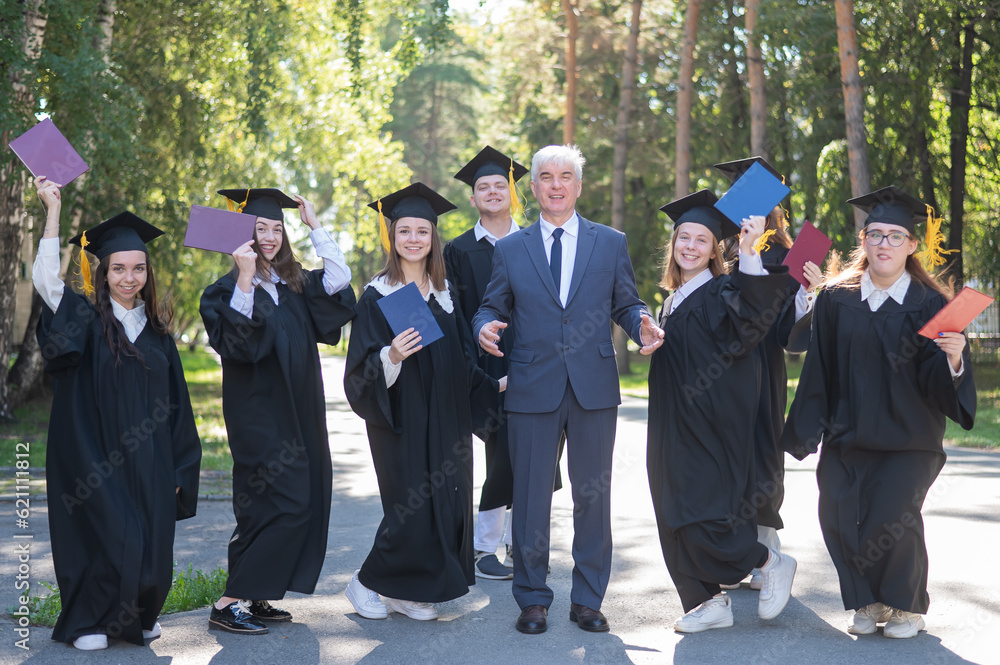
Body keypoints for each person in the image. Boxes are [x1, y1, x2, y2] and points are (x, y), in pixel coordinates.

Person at [472, 145, 664, 635]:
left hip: (593, 388)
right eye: (545, 177)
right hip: (531, 386)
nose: (555, 185)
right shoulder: (511, 249)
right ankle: (533, 598)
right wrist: (485, 326)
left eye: (565, 177)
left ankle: (588, 599)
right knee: (531, 496)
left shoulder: (610, 242)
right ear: (532, 187)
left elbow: (627, 301)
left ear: (579, 186)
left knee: (592, 498)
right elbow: (491, 305)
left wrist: (641, 321)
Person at [782, 186, 976, 639]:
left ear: (912, 245)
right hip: (848, 435)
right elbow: (819, 368)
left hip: (909, 440)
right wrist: (805, 432)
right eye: (875, 234)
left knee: (891, 517)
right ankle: (868, 601)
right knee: (836, 512)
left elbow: (937, 383)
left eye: (895, 236)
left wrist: (953, 358)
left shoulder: (931, 305)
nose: (883, 244)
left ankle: (906, 605)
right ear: (863, 242)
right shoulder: (836, 299)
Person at [31, 176, 201, 650]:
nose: (130, 278)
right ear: (102, 272)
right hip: (95, 456)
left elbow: (179, 406)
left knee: (151, 539)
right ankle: (89, 620)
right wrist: (52, 215)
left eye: (139, 269)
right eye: (119, 269)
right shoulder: (85, 322)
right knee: (107, 532)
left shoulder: (160, 334)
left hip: (150, 459)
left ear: (148, 272)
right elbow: (46, 284)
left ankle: (142, 614)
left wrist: (182, 466)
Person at [200, 188, 356, 634]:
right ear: (242, 235)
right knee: (288, 503)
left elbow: (341, 284)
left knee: (277, 504)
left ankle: (255, 594)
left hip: (301, 412)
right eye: (259, 228)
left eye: (275, 228)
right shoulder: (222, 292)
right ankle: (228, 601)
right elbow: (238, 346)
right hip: (260, 416)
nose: (268, 236)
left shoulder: (296, 285)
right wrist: (246, 277)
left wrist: (316, 226)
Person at [343, 182, 501, 621]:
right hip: (402, 419)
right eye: (405, 231)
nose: (413, 239)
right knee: (410, 506)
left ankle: (407, 592)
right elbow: (358, 372)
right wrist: (390, 355)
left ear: (433, 238)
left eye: (422, 232)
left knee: (442, 503)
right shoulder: (378, 295)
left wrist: (499, 386)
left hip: (446, 422)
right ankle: (365, 582)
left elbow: (462, 363)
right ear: (392, 238)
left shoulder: (445, 295)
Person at [646, 190, 799, 633]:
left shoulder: (721, 290)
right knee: (670, 512)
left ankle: (768, 560)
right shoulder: (672, 301)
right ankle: (705, 600)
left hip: (708, 426)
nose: (690, 247)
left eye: (701, 240)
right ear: (673, 245)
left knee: (703, 515)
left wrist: (749, 252)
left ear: (716, 250)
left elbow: (753, 312)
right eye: (683, 238)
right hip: (671, 425)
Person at [714, 157, 823, 590]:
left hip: (761, 367)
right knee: (722, 455)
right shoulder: (718, 247)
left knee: (760, 455)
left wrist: (807, 295)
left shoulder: (788, 252)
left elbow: (786, 334)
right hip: (718, 368)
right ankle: (728, 551)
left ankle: (765, 554)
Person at [444, 145, 525, 581]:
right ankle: (484, 545)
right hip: (486, 363)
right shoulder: (458, 250)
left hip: (534, 360)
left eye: (500, 185)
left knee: (537, 451)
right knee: (501, 448)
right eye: (483, 187)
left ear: (512, 193)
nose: (492, 192)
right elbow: (455, 313)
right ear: (472, 199)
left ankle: (519, 541)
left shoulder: (535, 239)